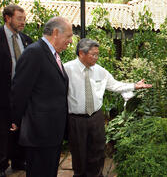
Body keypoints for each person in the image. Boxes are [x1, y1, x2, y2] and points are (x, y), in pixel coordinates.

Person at [64, 38, 152, 177]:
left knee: (98, 150)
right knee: (79, 152)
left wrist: (134, 85)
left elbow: (114, 85)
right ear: (81, 53)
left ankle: (97, 174)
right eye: (93, 54)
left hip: (96, 117)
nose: (96, 57)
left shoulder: (100, 71)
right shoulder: (66, 69)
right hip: (76, 119)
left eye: (98, 54)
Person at [10, 16, 73, 177]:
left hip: (52, 132)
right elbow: (20, 90)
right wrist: (15, 120)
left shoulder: (53, 54)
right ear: (56, 33)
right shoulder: (34, 53)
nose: (70, 41)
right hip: (39, 133)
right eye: (68, 36)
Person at [0, 4, 33, 177]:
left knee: (21, 127)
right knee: (3, 130)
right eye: (19, 19)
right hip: (3, 93)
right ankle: (1, 166)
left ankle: (19, 160)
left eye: (24, 19)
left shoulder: (26, 40)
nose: (23, 23)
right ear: (8, 18)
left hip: (22, 94)